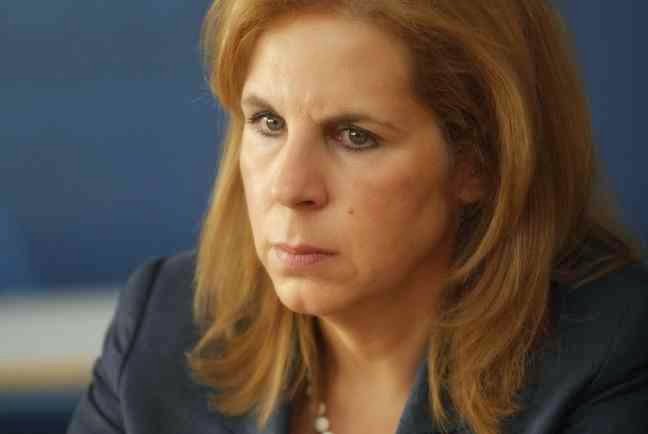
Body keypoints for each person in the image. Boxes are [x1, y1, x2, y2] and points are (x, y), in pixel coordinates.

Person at [67, 1, 648, 433]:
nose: (288, 188)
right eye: (268, 123)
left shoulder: (608, 349)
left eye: (354, 136)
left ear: (480, 162)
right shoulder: (165, 324)